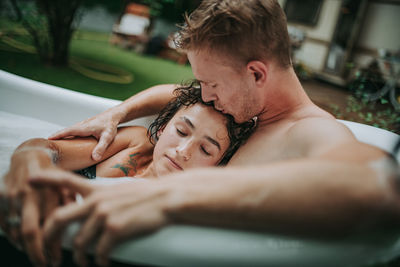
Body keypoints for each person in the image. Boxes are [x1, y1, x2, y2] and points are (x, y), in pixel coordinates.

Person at [2, 0, 400, 266]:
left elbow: (378, 187)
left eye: (210, 82)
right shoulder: (246, 108)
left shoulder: (308, 130)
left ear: (257, 73)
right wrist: (118, 112)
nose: (205, 95)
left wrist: (167, 195)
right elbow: (173, 96)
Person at [1, 82, 254, 266]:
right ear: (164, 127)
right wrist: (30, 159)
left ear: (219, 164)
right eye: (181, 131)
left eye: (205, 149)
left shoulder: (195, 203)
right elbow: (51, 148)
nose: (183, 151)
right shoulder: (136, 142)